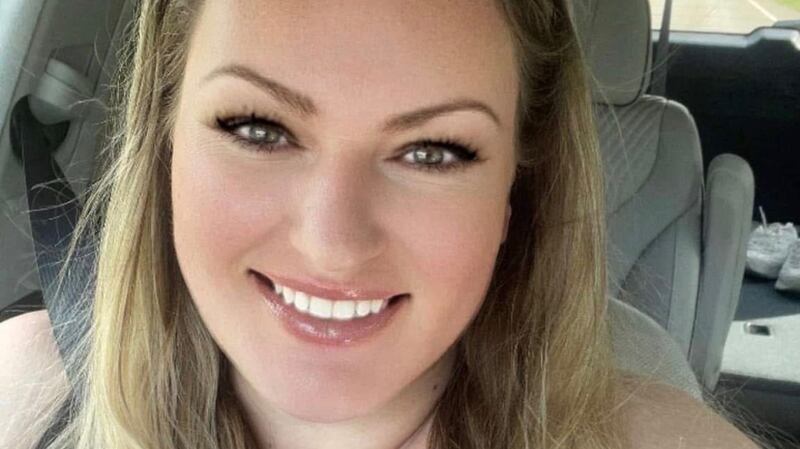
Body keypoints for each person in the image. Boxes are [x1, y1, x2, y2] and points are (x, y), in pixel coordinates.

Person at [0, 0, 763, 448]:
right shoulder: (21, 393)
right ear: (165, 143)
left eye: (433, 151)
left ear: (514, 195)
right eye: (258, 128)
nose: (332, 244)